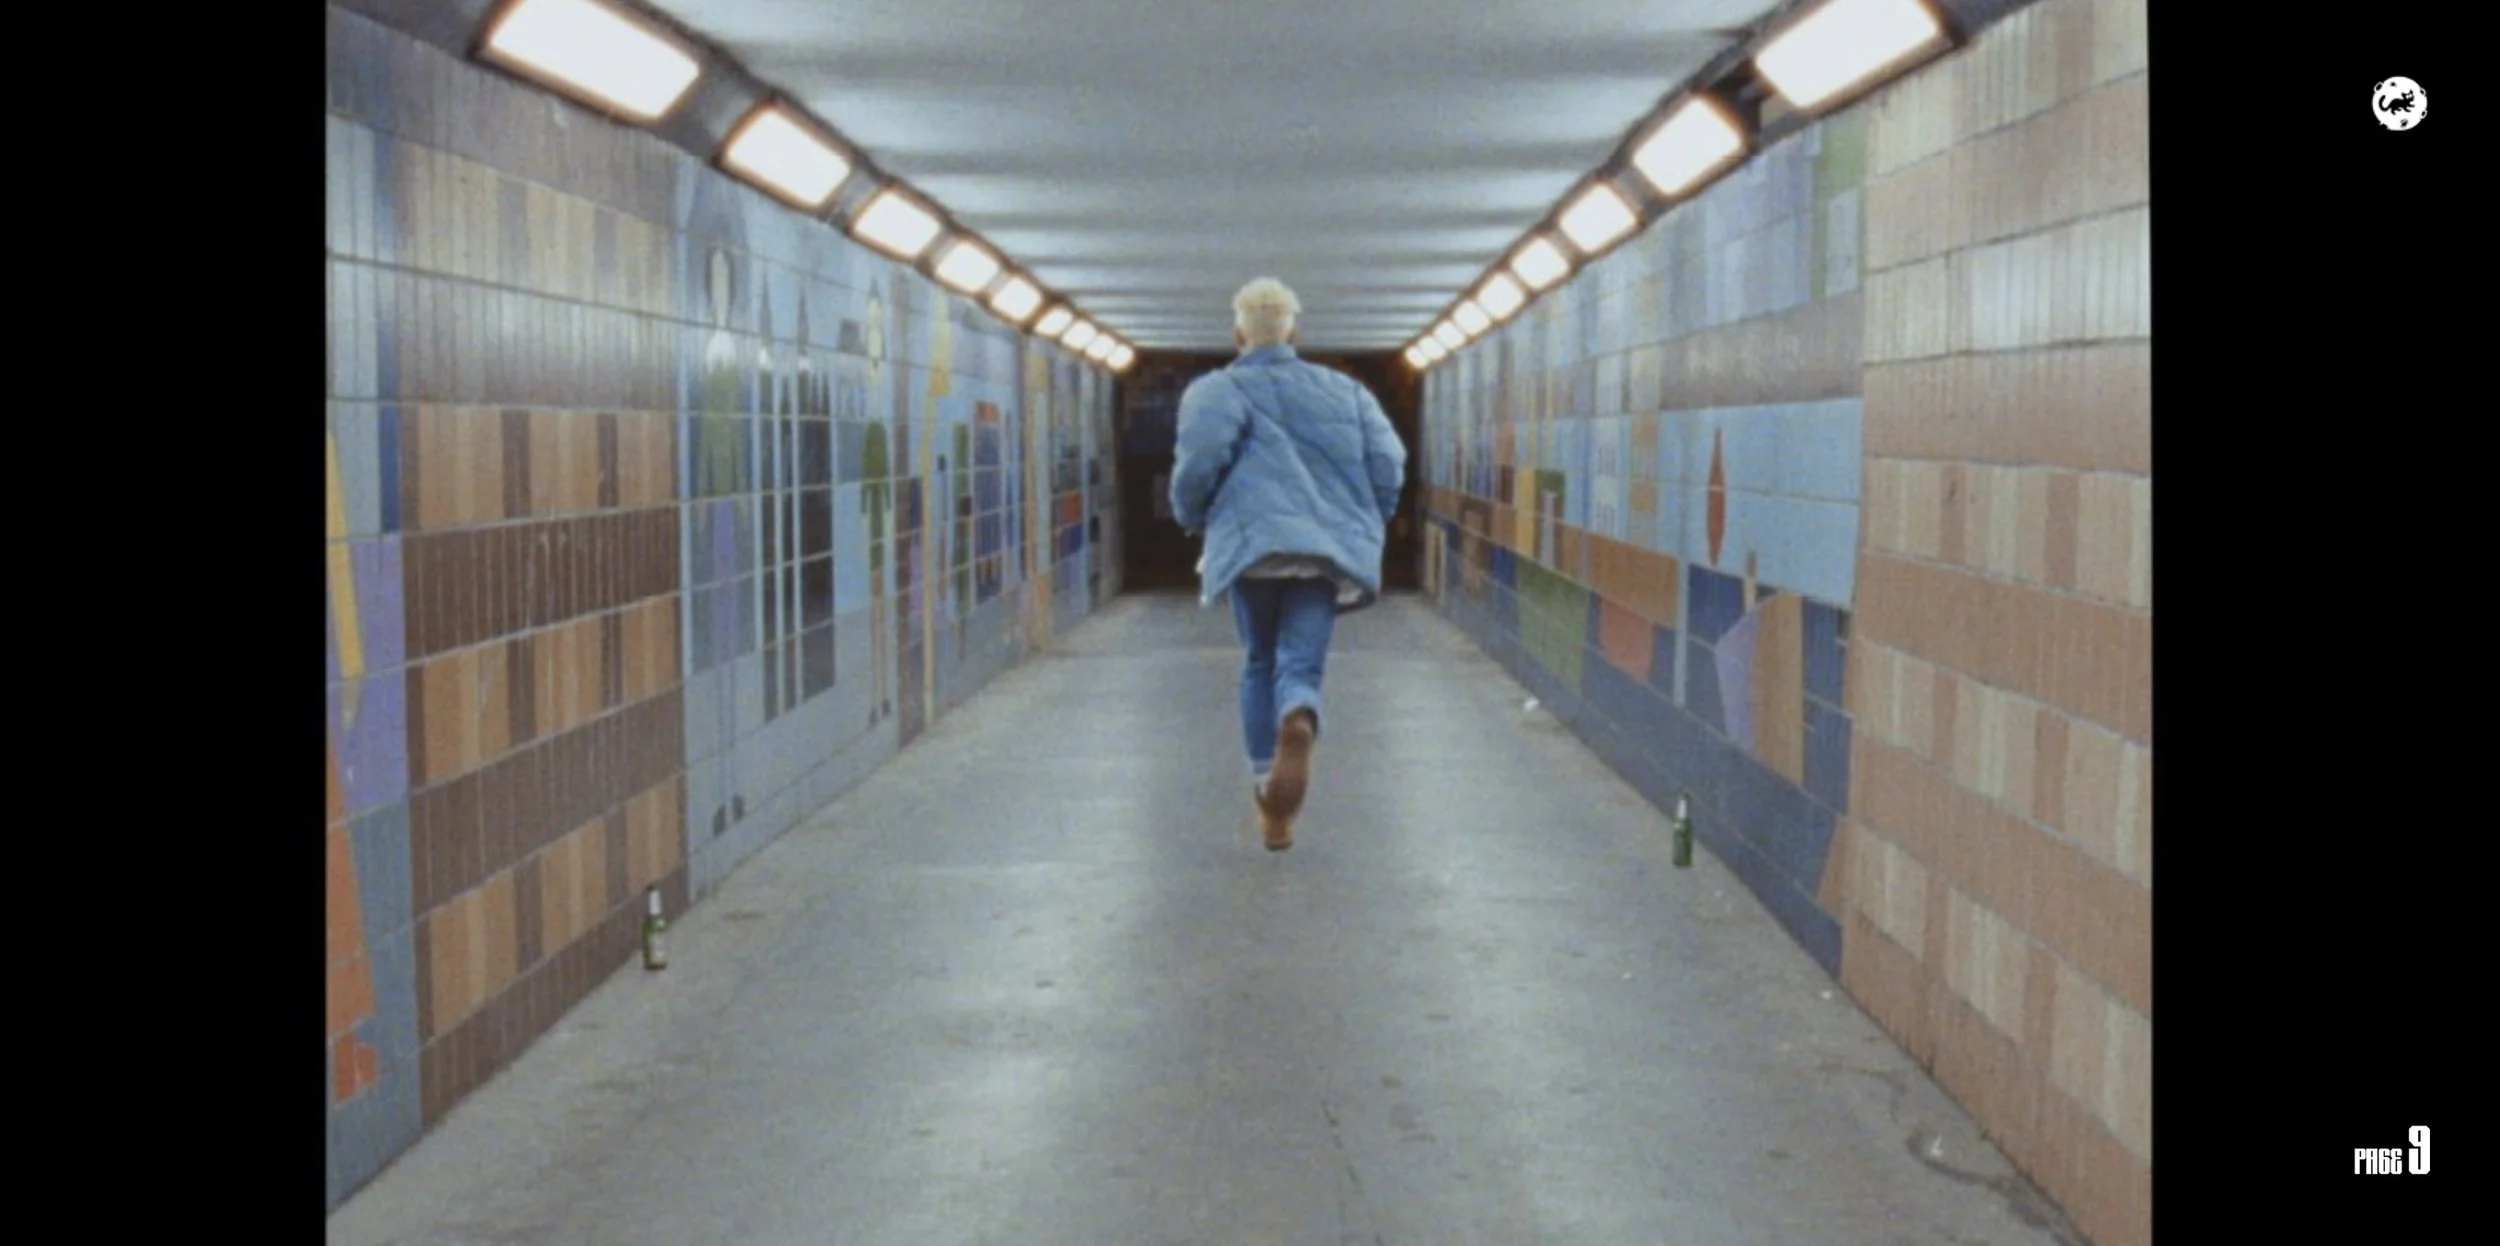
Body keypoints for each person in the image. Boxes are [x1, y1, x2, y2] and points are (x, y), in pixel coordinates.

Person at [1169, 278, 1407, 852]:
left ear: (1238, 336)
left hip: (1253, 549)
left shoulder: (1217, 391)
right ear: (1294, 334)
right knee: (1299, 664)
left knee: (1259, 660)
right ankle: (1299, 711)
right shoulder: (1347, 392)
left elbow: (1198, 462)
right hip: (1322, 552)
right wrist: (1364, 519)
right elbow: (1389, 460)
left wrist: (1193, 514)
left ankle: (1268, 793)